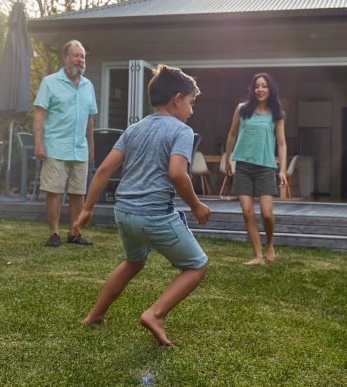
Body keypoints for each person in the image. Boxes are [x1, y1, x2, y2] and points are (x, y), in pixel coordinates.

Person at [78, 64, 211, 347]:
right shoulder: (182, 131)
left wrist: (87, 208)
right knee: (197, 265)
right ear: (177, 99)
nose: (191, 110)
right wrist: (197, 205)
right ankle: (156, 313)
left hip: (124, 214)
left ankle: (95, 315)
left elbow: (103, 170)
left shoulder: (134, 129)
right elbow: (177, 174)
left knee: (133, 262)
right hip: (154, 216)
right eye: (191, 102)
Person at [33, 40, 97, 247]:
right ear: (65, 58)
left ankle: (74, 232)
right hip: (55, 146)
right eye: (76, 56)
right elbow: (39, 113)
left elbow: (89, 118)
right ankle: (54, 233)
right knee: (54, 191)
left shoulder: (89, 86)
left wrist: (91, 144)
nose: (80, 60)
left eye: (82, 57)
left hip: (79, 148)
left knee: (78, 192)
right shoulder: (50, 82)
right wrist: (38, 143)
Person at [224, 73, 288, 266]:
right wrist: (228, 160)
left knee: (267, 214)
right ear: (252, 90)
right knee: (247, 212)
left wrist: (282, 169)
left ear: (271, 90)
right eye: (257, 86)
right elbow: (232, 135)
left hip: (266, 167)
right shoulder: (242, 109)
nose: (260, 89)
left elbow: (282, 144)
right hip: (243, 166)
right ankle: (258, 256)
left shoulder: (277, 115)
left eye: (264, 86)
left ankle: (269, 243)